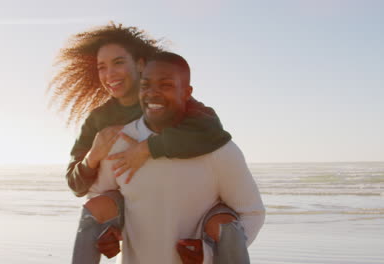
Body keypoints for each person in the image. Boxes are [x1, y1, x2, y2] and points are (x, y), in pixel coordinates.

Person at [48, 23, 232, 263]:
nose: (109, 74)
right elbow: (75, 184)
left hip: (181, 207)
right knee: (93, 211)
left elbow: (210, 130)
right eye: (101, 67)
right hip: (128, 206)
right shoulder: (99, 119)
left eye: (118, 62)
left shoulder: (165, 101)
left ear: (141, 64)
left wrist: (147, 149)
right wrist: (94, 154)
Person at [88, 52, 265, 263]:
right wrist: (109, 231)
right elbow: (98, 196)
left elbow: (251, 213)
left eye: (166, 85)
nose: (152, 94)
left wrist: (210, 255)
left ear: (186, 92)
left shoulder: (217, 149)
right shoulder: (120, 141)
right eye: (145, 85)